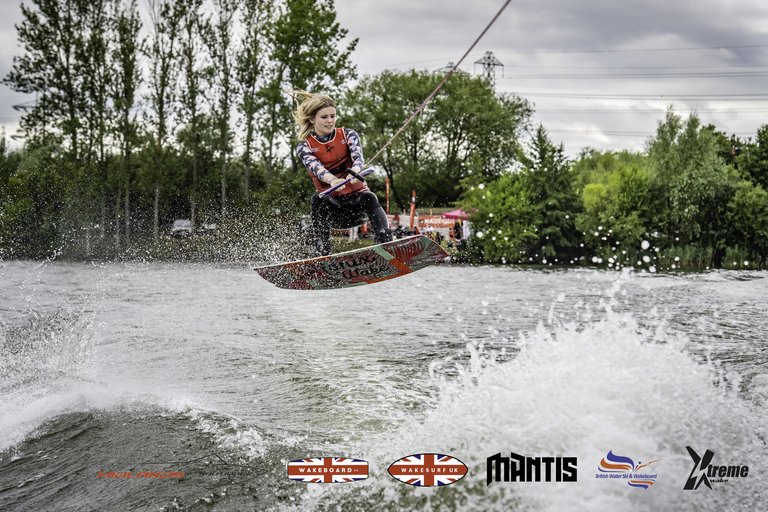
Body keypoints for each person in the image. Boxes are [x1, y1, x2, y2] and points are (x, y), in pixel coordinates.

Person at [293, 90, 393, 256]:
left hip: (357, 206)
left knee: (370, 197)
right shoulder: (304, 146)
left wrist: (354, 171)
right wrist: (332, 181)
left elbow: (358, 159)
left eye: (333, 116)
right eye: (324, 117)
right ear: (312, 119)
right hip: (334, 210)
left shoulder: (349, 135)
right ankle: (322, 251)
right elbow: (316, 168)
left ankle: (386, 242)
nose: (330, 121)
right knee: (317, 200)